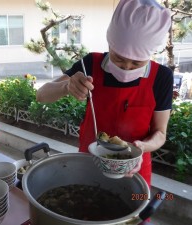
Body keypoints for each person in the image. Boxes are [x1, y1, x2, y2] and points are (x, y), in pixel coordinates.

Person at [36, 0, 173, 187]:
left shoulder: (161, 77)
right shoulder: (91, 64)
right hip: (90, 161)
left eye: (136, 63)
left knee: (136, 213)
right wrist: (66, 86)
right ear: (110, 43)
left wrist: (141, 147)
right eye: (119, 58)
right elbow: (41, 95)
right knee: (85, 209)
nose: (126, 67)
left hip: (134, 167)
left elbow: (160, 133)